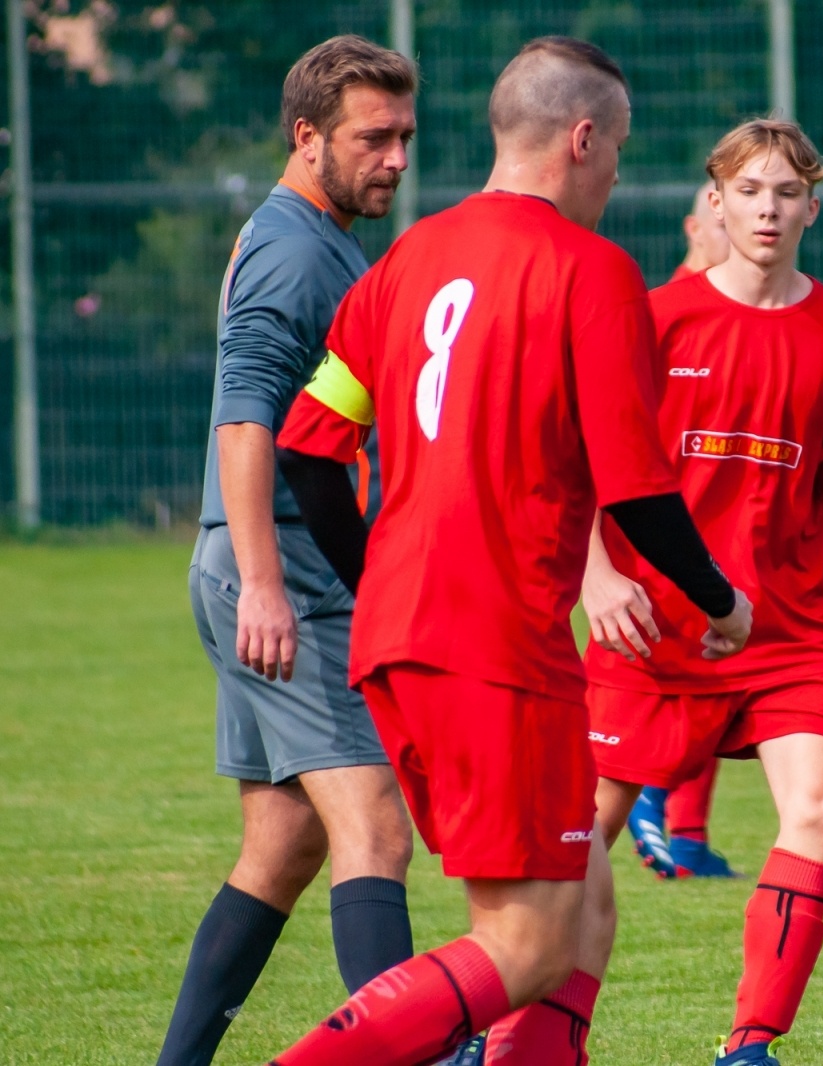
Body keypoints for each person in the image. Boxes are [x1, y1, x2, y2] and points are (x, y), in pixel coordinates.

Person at [268, 36, 752, 1066]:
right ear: (582, 140)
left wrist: (383, 583)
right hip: (497, 648)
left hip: (400, 639)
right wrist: (720, 601)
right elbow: (637, 489)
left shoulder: (406, 261)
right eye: (617, 150)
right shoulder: (591, 272)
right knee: (527, 943)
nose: (620, 175)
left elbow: (311, 449)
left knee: (585, 904)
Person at [580, 118, 823, 1066]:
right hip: (647, 631)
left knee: (821, 809)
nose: (767, 208)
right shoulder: (654, 318)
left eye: (787, 194)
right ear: (715, 202)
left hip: (787, 636)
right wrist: (598, 579)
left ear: (812, 210)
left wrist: (804, 611)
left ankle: (750, 1046)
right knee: (575, 839)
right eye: (749, 191)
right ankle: (529, 1035)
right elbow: (578, 462)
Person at [159, 36, 418, 1066]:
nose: (395, 157)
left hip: (264, 564)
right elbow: (242, 420)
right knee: (378, 831)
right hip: (283, 574)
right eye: (372, 138)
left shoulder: (308, 233)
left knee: (284, 844)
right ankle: (419, 1052)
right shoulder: (293, 248)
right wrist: (263, 582)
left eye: (404, 135)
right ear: (307, 136)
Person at [616, 178, 738, 880]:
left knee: (722, 677)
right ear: (697, 226)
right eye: (728, 209)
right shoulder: (666, 315)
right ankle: (649, 795)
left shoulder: (745, 310)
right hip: (672, 528)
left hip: (724, 528)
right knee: (690, 682)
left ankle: (685, 831)